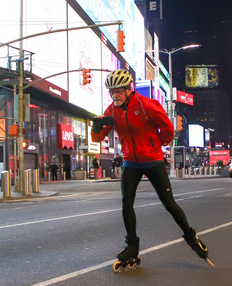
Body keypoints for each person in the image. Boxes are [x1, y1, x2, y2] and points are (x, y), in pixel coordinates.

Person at [91, 69, 212, 268]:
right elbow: (98, 138)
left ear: (128, 89)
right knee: (126, 202)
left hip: (153, 160)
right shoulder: (112, 110)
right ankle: (131, 246)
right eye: (112, 91)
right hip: (130, 161)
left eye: (119, 90)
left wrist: (157, 145)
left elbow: (167, 129)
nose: (115, 95)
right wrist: (97, 126)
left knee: (169, 203)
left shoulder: (147, 105)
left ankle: (192, 238)